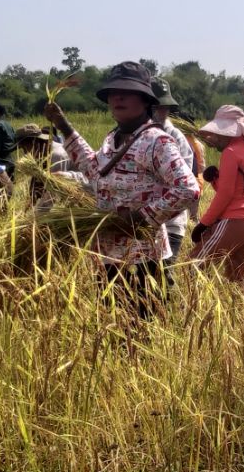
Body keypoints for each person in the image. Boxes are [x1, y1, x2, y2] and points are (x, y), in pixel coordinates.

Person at [43, 61, 200, 320]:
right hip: (109, 258)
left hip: (143, 261)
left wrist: (140, 219)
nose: (118, 97)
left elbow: (187, 188)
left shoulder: (156, 141)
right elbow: (94, 171)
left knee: (143, 336)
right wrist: (64, 126)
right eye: (114, 92)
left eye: (127, 92)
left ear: (145, 99)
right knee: (115, 336)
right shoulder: (113, 139)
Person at [189, 106, 244, 281]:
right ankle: (240, 308)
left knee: (192, 266)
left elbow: (226, 194)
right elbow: (239, 190)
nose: (216, 138)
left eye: (219, 133)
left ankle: (187, 307)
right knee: (237, 279)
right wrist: (216, 179)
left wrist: (204, 223)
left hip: (235, 221)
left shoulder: (231, 152)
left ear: (230, 131)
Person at [150, 77, 197, 265]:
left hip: (170, 221)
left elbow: (185, 182)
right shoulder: (133, 135)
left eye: (165, 107)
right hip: (140, 223)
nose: (162, 112)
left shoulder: (175, 137)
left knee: (165, 274)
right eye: (157, 107)